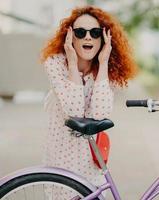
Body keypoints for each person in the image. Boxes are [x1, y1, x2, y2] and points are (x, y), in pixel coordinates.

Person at [41, 6, 136, 199]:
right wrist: (73, 63)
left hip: (89, 156)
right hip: (61, 153)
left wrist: (103, 63)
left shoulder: (104, 69)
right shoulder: (55, 63)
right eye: (80, 32)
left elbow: (100, 114)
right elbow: (73, 109)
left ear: (103, 38)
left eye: (95, 33)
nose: (88, 37)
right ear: (70, 36)